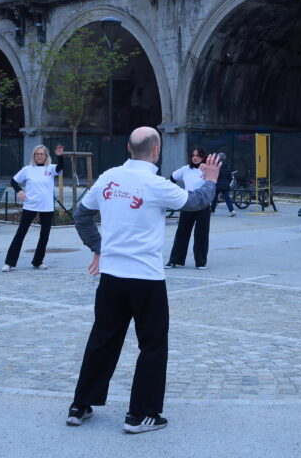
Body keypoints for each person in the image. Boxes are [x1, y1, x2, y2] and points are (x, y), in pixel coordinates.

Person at [67, 127, 219, 434]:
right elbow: (197, 201)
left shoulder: (109, 177)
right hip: (145, 278)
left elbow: (81, 214)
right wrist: (211, 180)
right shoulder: (156, 184)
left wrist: (99, 248)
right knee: (152, 343)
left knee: (103, 338)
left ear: (127, 147)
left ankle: (80, 405)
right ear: (156, 151)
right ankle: (141, 414)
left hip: (111, 276)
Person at [3, 144, 65, 272]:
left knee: (44, 235)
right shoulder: (27, 169)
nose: (39, 156)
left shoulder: (51, 168)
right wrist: (19, 191)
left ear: (46, 156)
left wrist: (60, 156)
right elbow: (13, 181)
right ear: (34, 156)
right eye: (37, 154)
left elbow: (61, 167)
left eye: (41, 154)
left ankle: (37, 261)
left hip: (46, 207)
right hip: (30, 205)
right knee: (21, 233)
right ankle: (9, 262)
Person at [166, 146, 212, 270]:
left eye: (198, 155)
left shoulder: (208, 170)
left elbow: (212, 184)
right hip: (188, 203)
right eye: (193, 155)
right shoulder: (185, 169)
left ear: (203, 157)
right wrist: (175, 193)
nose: (195, 158)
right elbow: (172, 178)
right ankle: (176, 260)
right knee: (182, 233)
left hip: (203, 205)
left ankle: (201, 262)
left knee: (201, 234)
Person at [210, 152, 236, 217]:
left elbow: (214, 175)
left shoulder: (216, 166)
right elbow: (230, 177)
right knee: (227, 198)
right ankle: (232, 211)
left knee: (214, 198)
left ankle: (212, 211)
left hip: (217, 185)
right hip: (225, 185)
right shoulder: (227, 166)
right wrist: (227, 183)